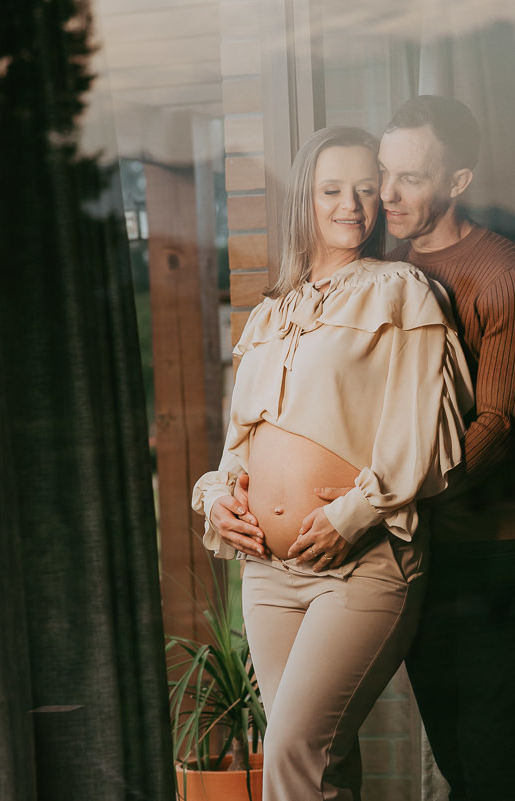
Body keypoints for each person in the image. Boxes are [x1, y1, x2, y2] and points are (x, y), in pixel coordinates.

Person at [191, 125, 474, 801]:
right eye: (331, 190)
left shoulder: (403, 291)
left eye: (366, 190)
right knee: (322, 763)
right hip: (266, 572)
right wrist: (219, 499)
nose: (351, 203)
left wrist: (353, 514)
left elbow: (430, 439)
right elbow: (239, 445)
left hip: (360, 566)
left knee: (294, 750)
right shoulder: (268, 317)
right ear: (305, 202)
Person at [324, 95, 515, 800]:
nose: (385, 195)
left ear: (457, 181)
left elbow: (500, 425)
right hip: (407, 544)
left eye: (410, 178)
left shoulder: (502, 272)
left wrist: (387, 493)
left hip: (488, 547)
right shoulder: (375, 263)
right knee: (452, 745)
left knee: (492, 752)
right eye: (382, 173)